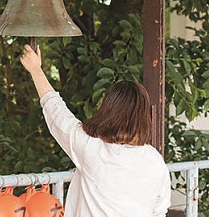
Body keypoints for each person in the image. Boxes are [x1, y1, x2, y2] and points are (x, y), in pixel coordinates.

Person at [20, 44, 171, 217]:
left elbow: (56, 113)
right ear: (144, 117)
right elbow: (159, 210)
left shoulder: (92, 148)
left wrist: (35, 70)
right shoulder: (154, 160)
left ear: (108, 110)